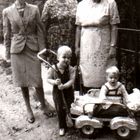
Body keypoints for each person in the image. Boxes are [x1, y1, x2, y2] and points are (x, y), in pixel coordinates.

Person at [2, 0, 52, 123]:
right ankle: (28, 109)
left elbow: (40, 31)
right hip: (17, 51)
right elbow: (6, 34)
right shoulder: (7, 11)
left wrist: (42, 51)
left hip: (33, 48)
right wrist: (7, 54)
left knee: (37, 80)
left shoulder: (34, 9)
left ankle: (43, 105)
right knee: (22, 81)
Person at [75, 0, 120, 92]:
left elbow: (114, 27)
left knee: (104, 74)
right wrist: (77, 46)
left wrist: (113, 46)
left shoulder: (110, 3)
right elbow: (78, 28)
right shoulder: (81, 4)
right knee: (87, 75)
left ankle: (106, 97)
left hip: (103, 45)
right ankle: (88, 97)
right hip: (86, 46)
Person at [47, 46, 75, 136]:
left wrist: (65, 86)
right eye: (64, 57)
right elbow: (48, 79)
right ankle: (62, 126)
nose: (66, 60)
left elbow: (72, 80)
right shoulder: (53, 68)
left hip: (68, 91)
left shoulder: (71, 69)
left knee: (70, 106)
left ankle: (70, 120)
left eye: (69, 58)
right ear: (58, 57)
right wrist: (55, 82)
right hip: (57, 92)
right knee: (59, 109)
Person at [41, 0, 77, 66]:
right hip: (55, 43)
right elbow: (43, 27)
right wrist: (43, 46)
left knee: (70, 68)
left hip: (71, 41)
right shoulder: (49, 3)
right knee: (55, 68)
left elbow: (78, 24)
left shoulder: (74, 2)